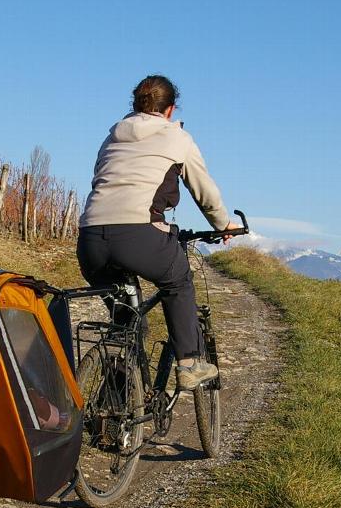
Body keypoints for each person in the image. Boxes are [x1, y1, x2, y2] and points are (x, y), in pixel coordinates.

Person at [77, 75, 239, 391]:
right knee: (178, 280)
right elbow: (203, 190)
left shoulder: (112, 137)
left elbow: (100, 178)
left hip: (90, 239)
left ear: (135, 105)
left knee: (126, 317)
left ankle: (120, 401)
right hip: (138, 235)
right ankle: (190, 363)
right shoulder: (178, 138)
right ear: (170, 110)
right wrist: (223, 224)